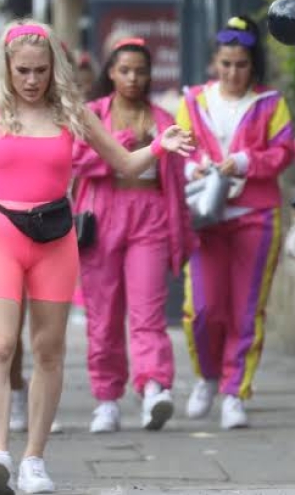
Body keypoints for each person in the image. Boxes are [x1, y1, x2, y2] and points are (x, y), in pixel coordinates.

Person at [0, 19, 192, 495]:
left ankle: (34, 461)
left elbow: (123, 164)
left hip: (54, 237)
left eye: (40, 70)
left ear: (53, 68)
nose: (31, 79)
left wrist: (158, 147)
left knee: (49, 351)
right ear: (6, 67)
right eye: (22, 70)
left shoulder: (71, 112)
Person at [177, 15, 294, 429]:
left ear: (253, 64)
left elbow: (283, 154)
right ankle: (207, 377)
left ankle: (234, 392)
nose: (232, 72)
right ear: (214, 62)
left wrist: (245, 161)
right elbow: (180, 148)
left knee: (247, 309)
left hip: (256, 215)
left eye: (240, 64)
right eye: (225, 63)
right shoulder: (192, 100)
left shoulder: (271, 103)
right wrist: (194, 167)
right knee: (202, 309)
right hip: (205, 217)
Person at [72, 37, 192, 433]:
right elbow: (76, 158)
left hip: (150, 217)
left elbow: (176, 177)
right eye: (124, 70)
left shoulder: (161, 117)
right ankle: (106, 400)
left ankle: (155, 387)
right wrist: (122, 144)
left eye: (140, 71)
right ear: (110, 72)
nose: (133, 78)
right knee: (103, 315)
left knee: (148, 311)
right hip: (103, 215)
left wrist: (182, 231)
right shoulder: (93, 114)